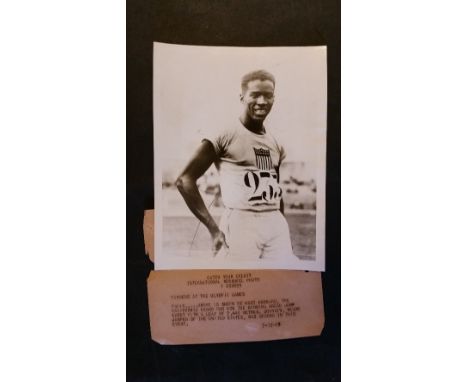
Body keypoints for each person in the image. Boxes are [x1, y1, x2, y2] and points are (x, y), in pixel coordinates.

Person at [176, 69, 294, 261]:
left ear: (274, 98)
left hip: (276, 226)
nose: (262, 102)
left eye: (268, 96)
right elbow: (184, 180)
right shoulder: (225, 133)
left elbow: (275, 190)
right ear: (242, 97)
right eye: (255, 95)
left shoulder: (276, 142)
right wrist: (213, 230)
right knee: (239, 285)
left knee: (280, 283)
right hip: (241, 223)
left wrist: (282, 228)